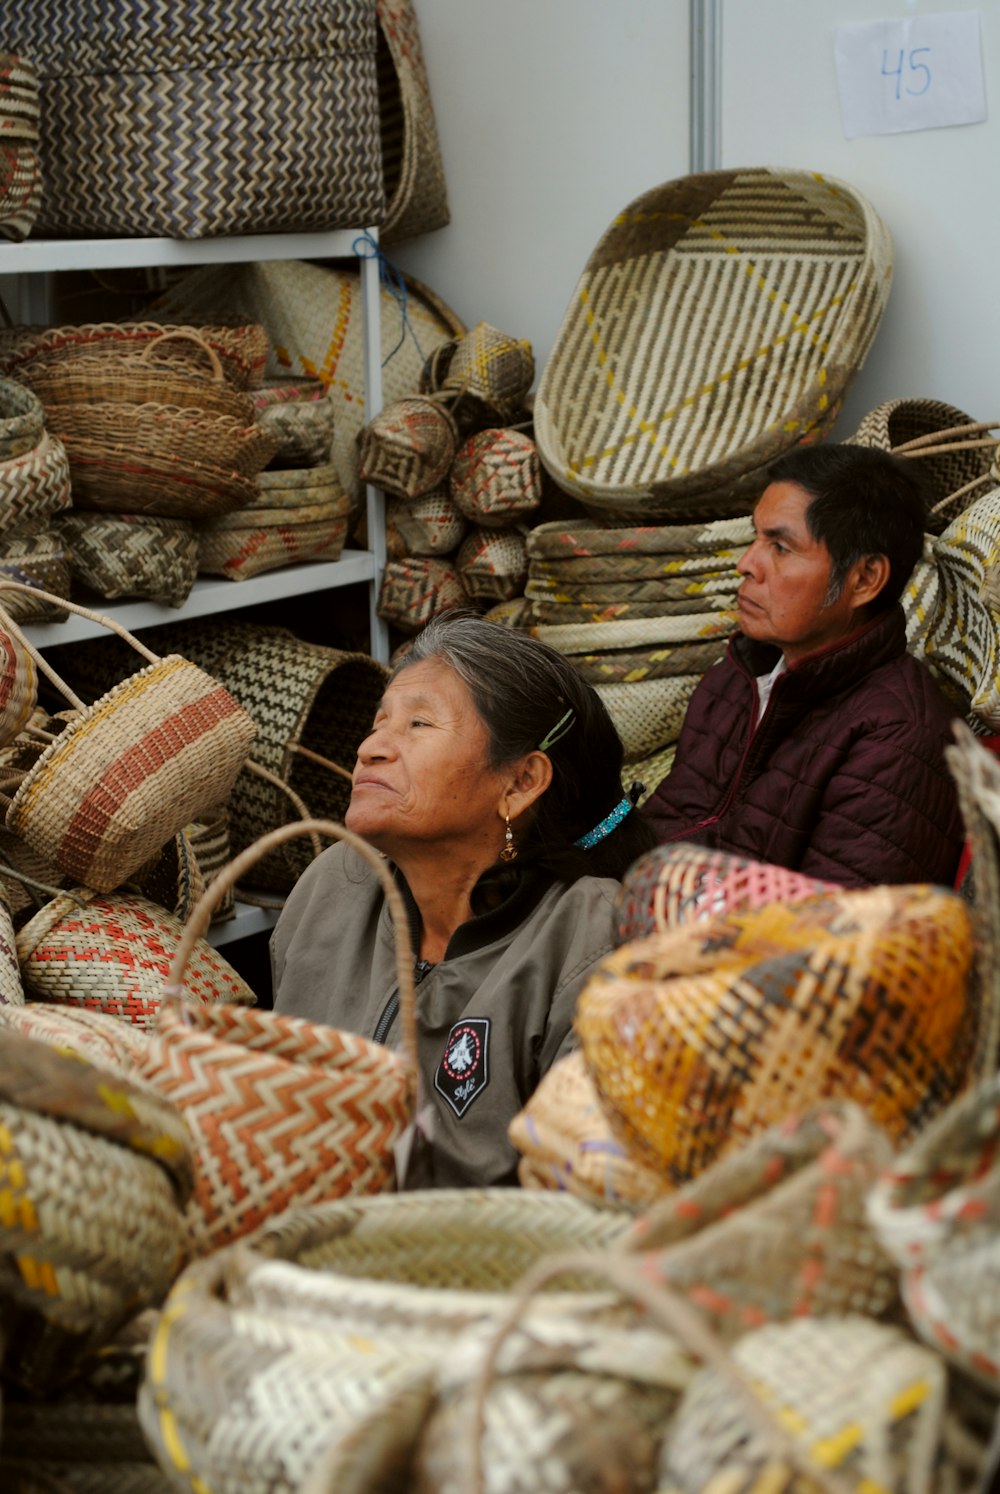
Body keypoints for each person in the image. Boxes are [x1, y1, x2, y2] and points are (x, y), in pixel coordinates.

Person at [270, 612, 656, 1187]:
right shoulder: (334, 886)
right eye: (380, 724)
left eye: (419, 724)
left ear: (521, 782)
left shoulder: (591, 940)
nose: (372, 747)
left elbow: (581, 1193)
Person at [643, 443, 965, 888]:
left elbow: (832, 939)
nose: (746, 564)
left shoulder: (898, 738)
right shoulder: (738, 676)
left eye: (780, 546)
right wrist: (589, 833)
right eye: (756, 538)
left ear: (864, 579)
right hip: (637, 905)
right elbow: (657, 817)